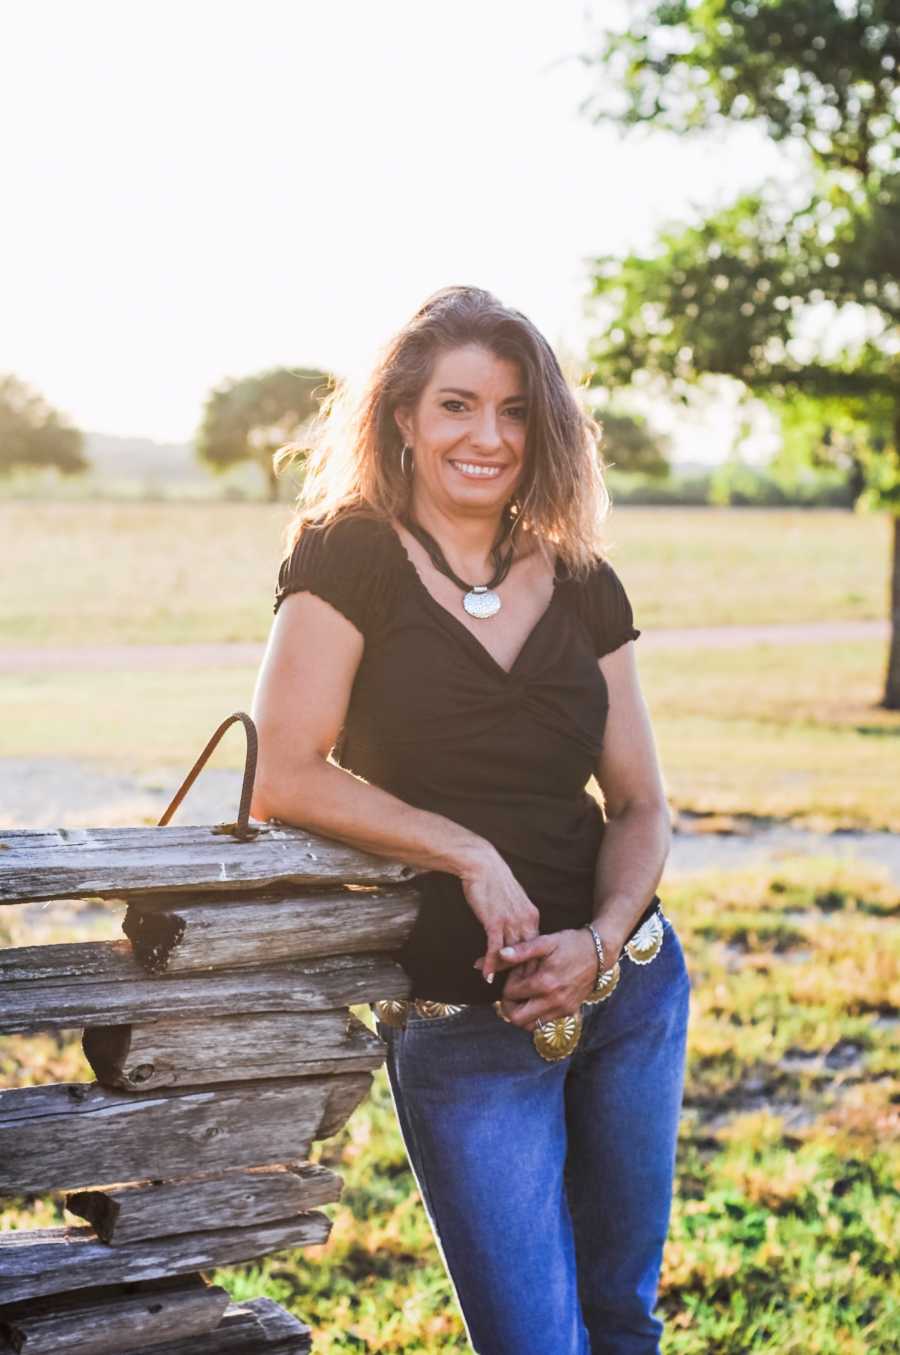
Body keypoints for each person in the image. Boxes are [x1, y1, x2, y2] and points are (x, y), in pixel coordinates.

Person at [250, 285, 691, 1355]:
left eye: (514, 409)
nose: (485, 436)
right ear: (403, 416)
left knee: (622, 1317)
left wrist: (596, 943)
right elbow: (285, 773)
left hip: (626, 983)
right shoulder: (348, 555)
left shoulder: (585, 582)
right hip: (465, 1011)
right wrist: (469, 851)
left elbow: (639, 802)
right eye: (456, 404)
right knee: (537, 1341)